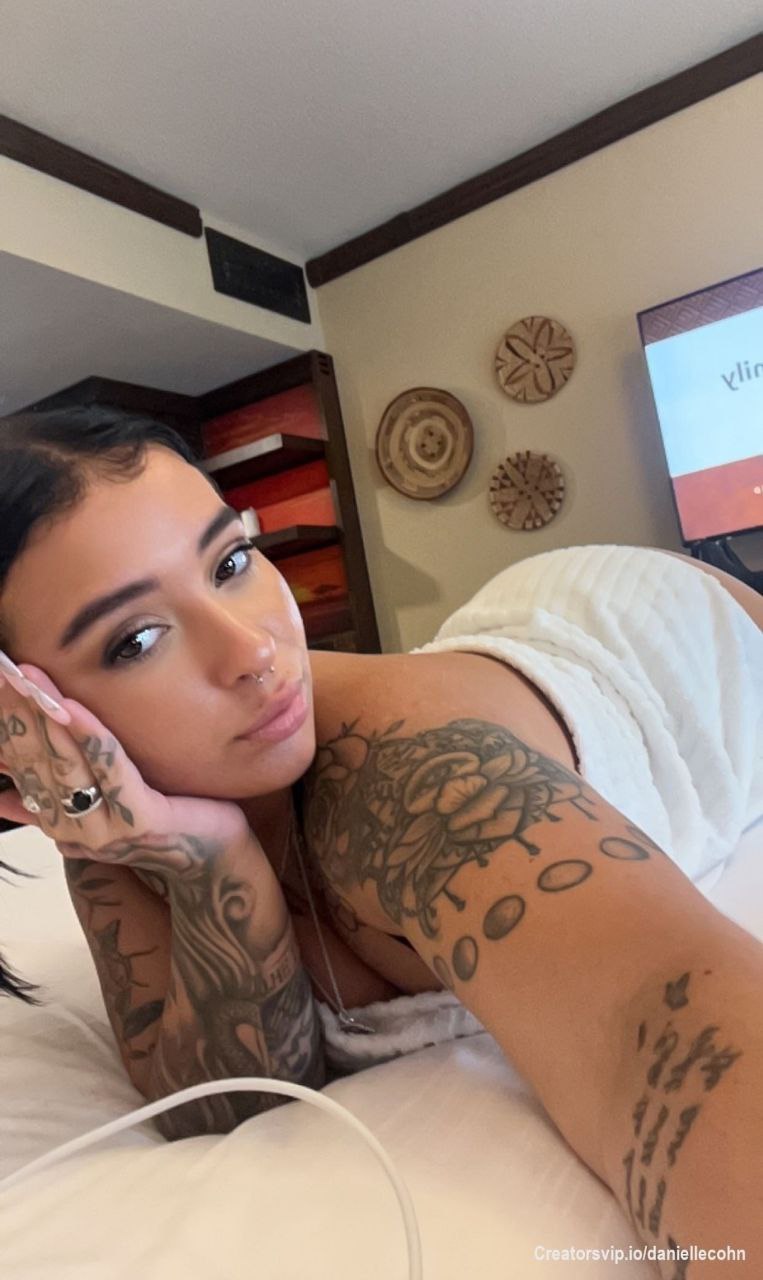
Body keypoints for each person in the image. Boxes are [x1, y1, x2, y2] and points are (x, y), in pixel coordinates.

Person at [0, 407, 761, 1275]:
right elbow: (218, 1103)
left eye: (231, 563)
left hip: (660, 628)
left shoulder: (414, 782)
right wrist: (212, 865)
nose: (253, 650)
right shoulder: (113, 827)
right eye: (136, 640)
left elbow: (654, 1027)